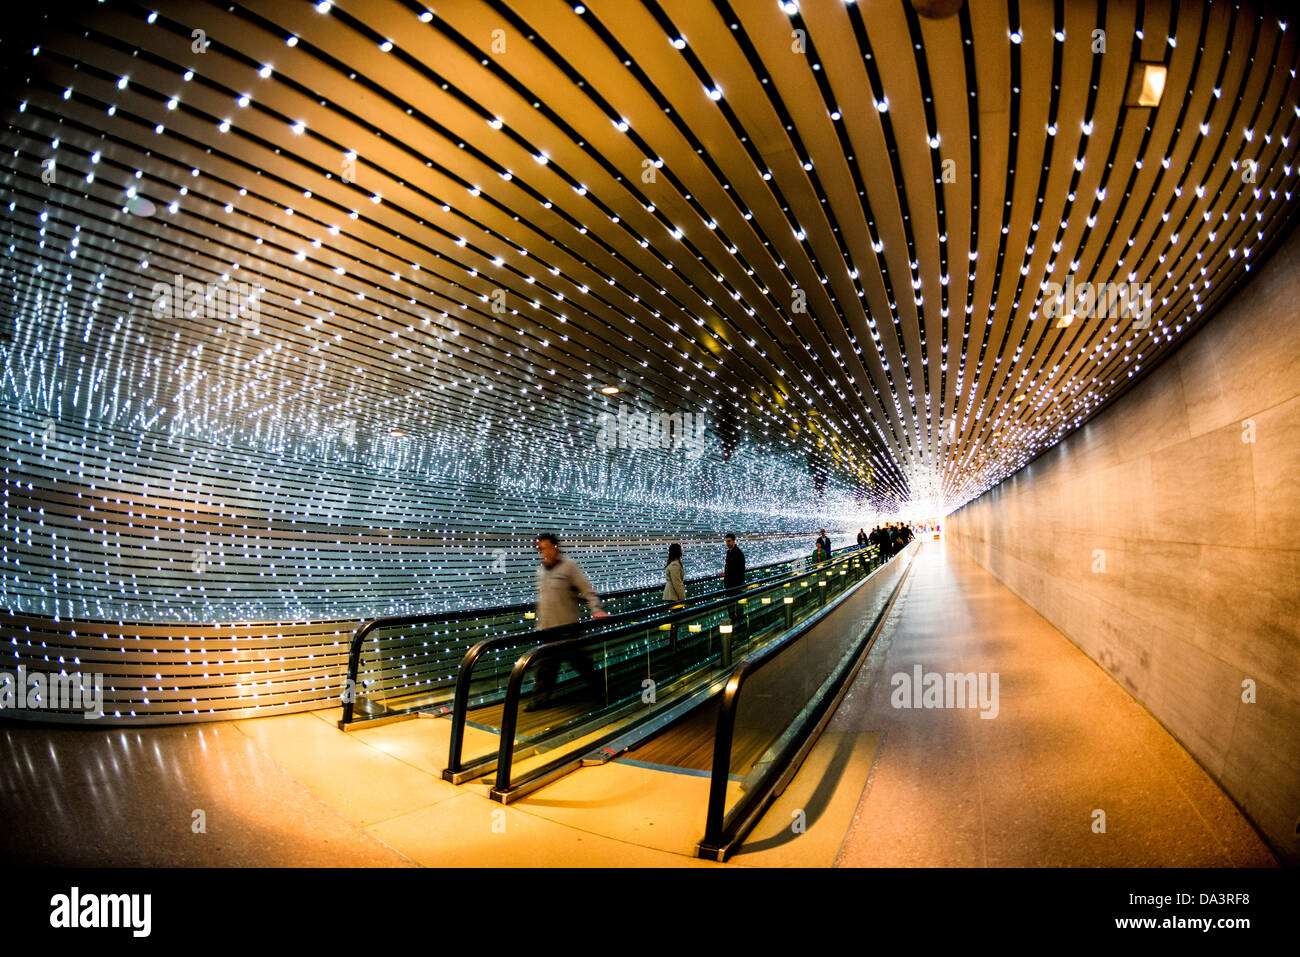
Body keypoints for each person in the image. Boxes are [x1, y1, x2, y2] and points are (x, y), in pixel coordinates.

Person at [527, 533, 609, 711]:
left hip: (567, 629)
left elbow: (588, 590)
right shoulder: (540, 570)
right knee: (544, 669)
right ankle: (539, 700)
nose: (543, 552)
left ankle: (603, 692)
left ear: (556, 547)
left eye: (546, 547)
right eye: (540, 548)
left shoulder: (569, 566)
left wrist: (596, 608)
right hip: (546, 630)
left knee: (583, 665)